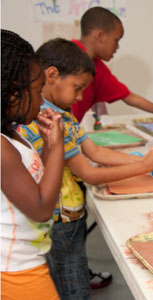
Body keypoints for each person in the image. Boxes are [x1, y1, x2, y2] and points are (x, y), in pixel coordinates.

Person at [19, 38, 153, 300]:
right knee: (72, 285)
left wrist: (143, 160)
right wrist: (142, 166)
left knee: (69, 275)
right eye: (77, 88)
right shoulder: (48, 119)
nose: (80, 97)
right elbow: (88, 172)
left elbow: (95, 152)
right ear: (52, 75)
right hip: (59, 221)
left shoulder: (62, 112)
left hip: (69, 217)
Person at [1, 29, 64, 300]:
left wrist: (49, 146)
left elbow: (40, 183)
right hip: (15, 270)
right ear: (13, 91)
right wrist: (59, 147)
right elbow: (40, 208)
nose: (40, 101)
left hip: (27, 258)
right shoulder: (1, 147)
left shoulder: (11, 135)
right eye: (38, 91)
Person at [71, 6, 153, 123]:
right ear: (100, 36)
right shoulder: (65, 58)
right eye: (116, 40)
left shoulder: (97, 68)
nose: (117, 47)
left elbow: (130, 98)